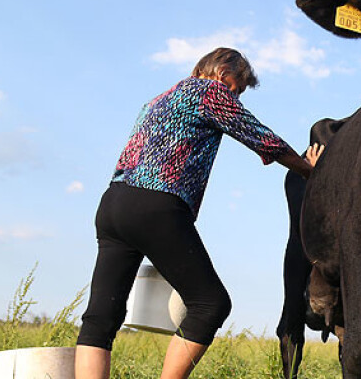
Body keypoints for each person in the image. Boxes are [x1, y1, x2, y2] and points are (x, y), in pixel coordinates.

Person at [75, 47, 324, 379]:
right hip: (157, 205)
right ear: (222, 72)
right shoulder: (210, 91)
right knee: (211, 304)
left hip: (113, 205)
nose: (234, 98)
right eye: (235, 89)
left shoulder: (159, 99)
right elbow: (262, 139)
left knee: (100, 317)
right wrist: (308, 169)